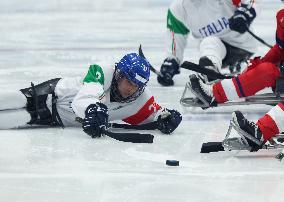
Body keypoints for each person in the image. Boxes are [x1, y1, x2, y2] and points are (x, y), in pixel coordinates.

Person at [0, 53, 182, 138]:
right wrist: (92, 109)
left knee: (13, 120)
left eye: (137, 86)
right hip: (51, 94)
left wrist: (167, 118)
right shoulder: (102, 71)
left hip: (55, 119)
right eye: (129, 82)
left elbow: (156, 114)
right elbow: (84, 98)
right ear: (119, 75)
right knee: (15, 99)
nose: (131, 89)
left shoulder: (140, 100)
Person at [189, 8, 284, 152]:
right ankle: (213, 94)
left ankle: (260, 132)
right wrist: (260, 64)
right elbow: (280, 49)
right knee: (265, 71)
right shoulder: (282, 16)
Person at [157, 0, 257, 86]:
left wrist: (245, 13)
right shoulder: (178, 9)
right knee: (209, 42)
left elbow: (251, 2)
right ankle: (210, 72)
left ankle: (241, 64)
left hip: (243, 46)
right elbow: (176, 38)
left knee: (209, 42)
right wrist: (172, 60)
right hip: (214, 50)